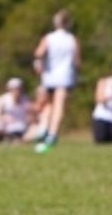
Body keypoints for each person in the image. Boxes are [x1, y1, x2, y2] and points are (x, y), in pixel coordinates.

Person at [30, 9, 81, 147]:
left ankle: (44, 130)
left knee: (48, 105)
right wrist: (77, 76)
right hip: (65, 77)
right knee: (59, 105)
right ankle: (52, 134)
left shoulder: (49, 38)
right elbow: (77, 62)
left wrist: (38, 65)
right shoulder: (72, 40)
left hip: (49, 77)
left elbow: (38, 53)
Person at [0, 78, 43, 144]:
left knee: (37, 128)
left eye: (19, 89)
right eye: (14, 89)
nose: (17, 91)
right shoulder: (2, 100)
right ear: (9, 89)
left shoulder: (26, 100)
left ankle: (17, 140)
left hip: (22, 130)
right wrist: (3, 117)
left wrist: (31, 116)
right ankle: (0, 137)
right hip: (5, 128)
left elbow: (34, 118)